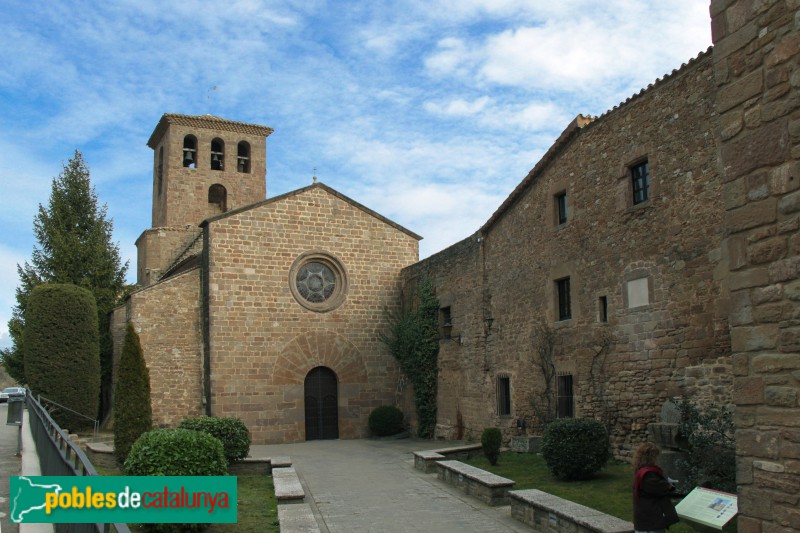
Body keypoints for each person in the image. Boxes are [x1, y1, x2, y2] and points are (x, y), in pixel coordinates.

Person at [633, 442, 680, 532]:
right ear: (650, 457)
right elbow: (658, 488)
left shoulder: (642, 471)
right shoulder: (647, 474)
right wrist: (669, 485)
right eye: (656, 456)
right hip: (650, 520)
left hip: (645, 517)